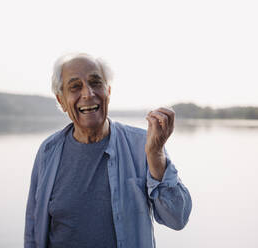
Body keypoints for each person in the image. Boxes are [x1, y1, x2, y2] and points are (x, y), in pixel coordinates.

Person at [24, 53, 192, 248]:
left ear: (108, 92)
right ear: (61, 101)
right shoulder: (48, 151)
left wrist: (156, 156)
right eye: (75, 86)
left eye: (96, 83)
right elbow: (33, 229)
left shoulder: (143, 146)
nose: (88, 93)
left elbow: (177, 218)